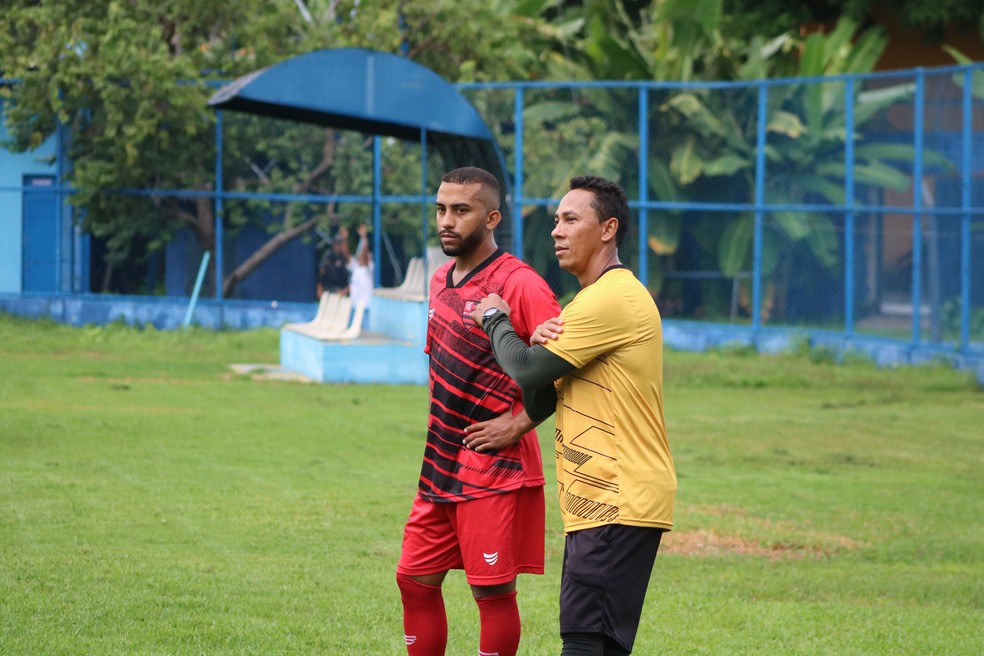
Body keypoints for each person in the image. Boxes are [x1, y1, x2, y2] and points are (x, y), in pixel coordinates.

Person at [469, 175, 677, 656]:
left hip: (615, 494)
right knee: (600, 643)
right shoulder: (588, 304)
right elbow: (540, 396)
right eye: (555, 222)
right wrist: (540, 340)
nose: (556, 232)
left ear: (608, 229)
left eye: (570, 219)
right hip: (606, 498)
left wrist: (498, 319)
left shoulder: (610, 299)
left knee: (583, 641)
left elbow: (521, 366)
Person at [396, 166, 561, 656]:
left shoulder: (520, 283)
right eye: (441, 209)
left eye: (460, 211)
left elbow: (562, 366)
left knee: (490, 593)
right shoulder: (440, 279)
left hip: (493, 469)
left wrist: (519, 423)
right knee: (413, 580)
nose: (447, 221)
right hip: (439, 465)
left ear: (491, 218)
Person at [347, 223, 374, 327]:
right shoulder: (356, 268)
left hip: (365, 306)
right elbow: (348, 255)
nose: (360, 256)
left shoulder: (368, 267)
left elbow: (364, 252)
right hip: (354, 305)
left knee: (364, 329)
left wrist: (364, 238)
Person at [316, 226, 350, 299]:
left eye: (339, 244)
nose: (337, 246)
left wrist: (344, 239)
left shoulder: (343, 256)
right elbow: (321, 271)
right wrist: (319, 287)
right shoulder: (328, 255)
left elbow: (348, 259)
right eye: (336, 244)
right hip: (328, 286)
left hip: (341, 287)